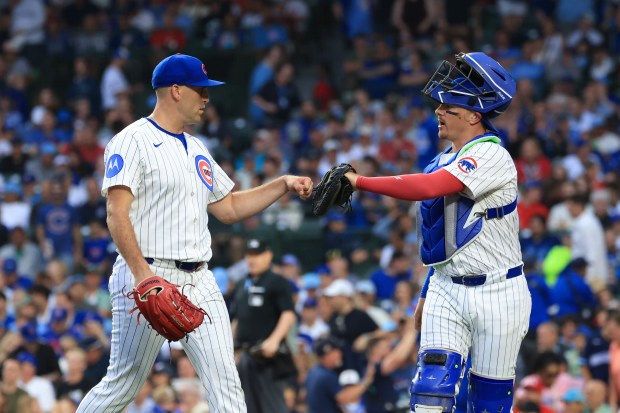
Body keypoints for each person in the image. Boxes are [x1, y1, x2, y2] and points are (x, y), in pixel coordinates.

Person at [76, 53, 313, 413]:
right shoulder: (132, 140)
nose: (206, 98)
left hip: (200, 279)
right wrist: (144, 277)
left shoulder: (198, 147)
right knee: (123, 384)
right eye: (200, 90)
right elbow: (116, 213)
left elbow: (229, 207)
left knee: (226, 384)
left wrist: (282, 185)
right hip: (146, 274)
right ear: (175, 90)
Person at [340, 52, 531, 413]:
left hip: (499, 291)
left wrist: (359, 181)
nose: (438, 112)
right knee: (430, 389)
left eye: (450, 107)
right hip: (446, 285)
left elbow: (428, 188)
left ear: (475, 116)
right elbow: (442, 239)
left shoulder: (493, 156)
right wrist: (428, 291)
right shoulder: (443, 157)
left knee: (488, 403)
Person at [231, 238, 298, 413]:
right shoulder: (242, 283)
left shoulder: (277, 281)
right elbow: (238, 318)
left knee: (273, 407)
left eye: (258, 255)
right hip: (245, 355)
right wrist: (230, 347)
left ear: (268, 255)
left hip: (269, 357)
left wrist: (274, 340)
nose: (252, 259)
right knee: (247, 407)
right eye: (249, 255)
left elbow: (288, 313)